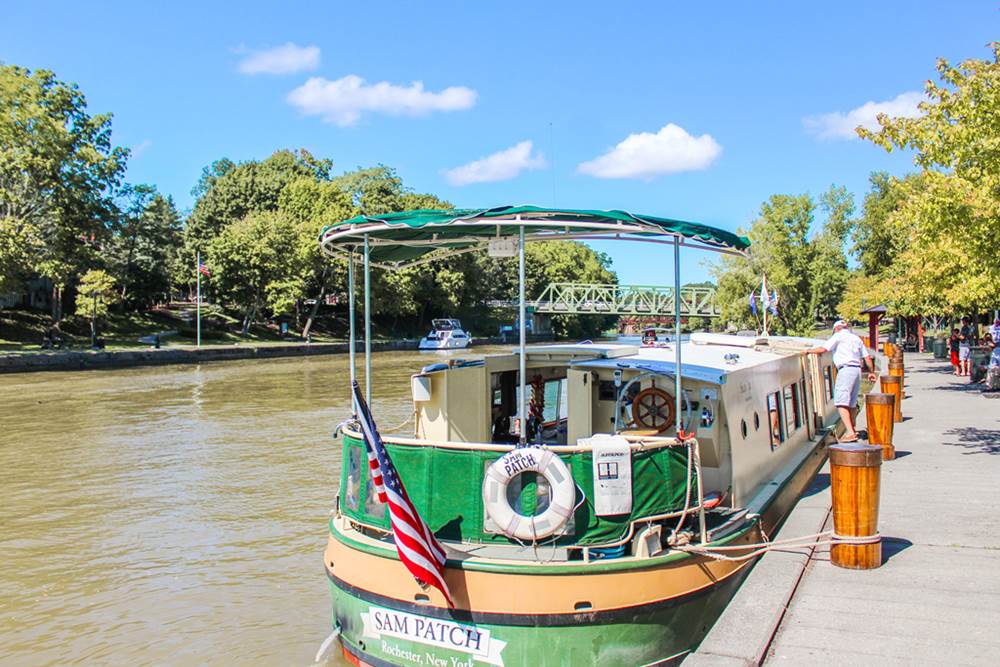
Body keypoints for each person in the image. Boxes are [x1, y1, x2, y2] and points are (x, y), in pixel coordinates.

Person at [807, 320, 877, 442]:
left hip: (845, 370)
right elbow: (867, 357)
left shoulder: (838, 336)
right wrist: (871, 372)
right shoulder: (856, 338)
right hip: (857, 371)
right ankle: (853, 427)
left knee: (840, 402)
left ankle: (850, 433)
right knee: (852, 402)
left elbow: (823, 349)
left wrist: (808, 351)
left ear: (836, 329)